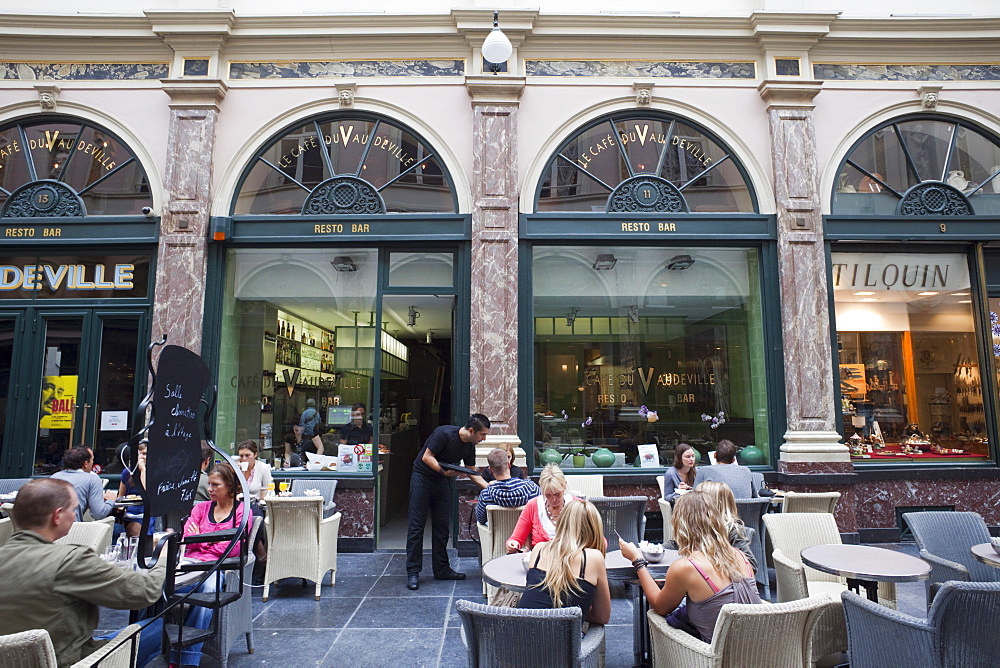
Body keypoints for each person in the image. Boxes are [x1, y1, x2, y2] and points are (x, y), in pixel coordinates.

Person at [0, 478, 166, 667]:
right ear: (57, 516)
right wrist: (163, 559)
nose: (74, 515)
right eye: (73, 509)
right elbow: (145, 592)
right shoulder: (70, 560)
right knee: (166, 626)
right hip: (73, 660)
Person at [620, 491, 761, 643]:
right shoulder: (741, 556)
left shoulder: (686, 567)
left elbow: (659, 607)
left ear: (680, 525)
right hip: (754, 648)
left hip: (714, 656)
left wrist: (637, 560)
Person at [405, 413, 490, 590]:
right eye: (483, 434)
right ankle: (413, 572)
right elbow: (427, 457)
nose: (484, 438)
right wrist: (443, 472)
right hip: (422, 478)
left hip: (441, 482)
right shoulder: (443, 434)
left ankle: (441, 569)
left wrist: (491, 488)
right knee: (416, 526)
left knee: (442, 527)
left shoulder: (469, 446)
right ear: (472, 430)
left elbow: (471, 472)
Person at [178, 464, 248, 667]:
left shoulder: (241, 512)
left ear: (230, 486)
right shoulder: (200, 508)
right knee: (161, 585)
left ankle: (188, 657)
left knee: (209, 588)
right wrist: (210, 541)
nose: (210, 489)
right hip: (191, 563)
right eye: (209, 484)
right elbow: (187, 538)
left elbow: (232, 549)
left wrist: (200, 538)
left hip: (220, 567)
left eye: (215, 485)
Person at [517, 499, 611, 625]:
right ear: (595, 529)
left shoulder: (539, 549)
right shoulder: (593, 558)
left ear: (562, 524)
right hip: (561, 641)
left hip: (519, 635)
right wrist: (576, 611)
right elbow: (602, 617)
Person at [506, 464, 574, 553]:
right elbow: (516, 538)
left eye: (557, 494)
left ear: (564, 486)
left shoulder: (576, 505)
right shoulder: (533, 506)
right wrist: (513, 544)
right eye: (548, 495)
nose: (553, 499)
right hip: (540, 560)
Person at [691, 481, 756, 573]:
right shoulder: (694, 527)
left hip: (720, 581)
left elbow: (751, 565)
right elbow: (672, 546)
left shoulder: (733, 530)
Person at [475, 448, 540, 525]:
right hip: (526, 536)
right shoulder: (531, 488)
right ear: (509, 465)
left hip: (498, 536)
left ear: (491, 470)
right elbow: (541, 511)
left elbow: (481, 520)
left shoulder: (486, 495)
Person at [52, 446, 116, 522]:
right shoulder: (92, 479)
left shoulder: (54, 477)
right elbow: (99, 514)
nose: (93, 463)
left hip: (49, 530)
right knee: (118, 529)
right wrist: (111, 500)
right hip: (74, 529)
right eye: (92, 460)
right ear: (86, 463)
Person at [693, 439, 758, 499]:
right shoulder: (746, 470)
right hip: (745, 511)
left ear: (715, 455)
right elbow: (755, 497)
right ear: (733, 460)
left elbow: (694, 497)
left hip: (715, 510)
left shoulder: (704, 471)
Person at [117, 441, 148, 537]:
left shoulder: (155, 471)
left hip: (148, 512)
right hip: (131, 512)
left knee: (137, 528)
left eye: (145, 454)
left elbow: (146, 491)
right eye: (139, 454)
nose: (141, 457)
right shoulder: (128, 472)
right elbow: (121, 497)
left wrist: (143, 469)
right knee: (131, 529)